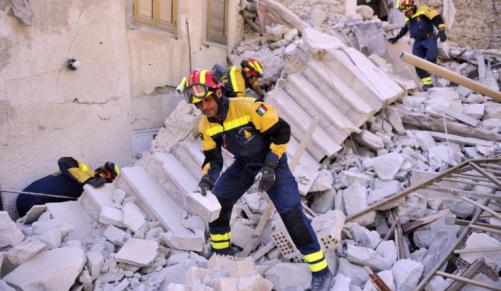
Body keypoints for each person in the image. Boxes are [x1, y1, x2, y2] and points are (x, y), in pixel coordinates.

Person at [182, 69, 333, 290]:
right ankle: (221, 252)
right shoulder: (206, 125)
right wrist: (206, 181)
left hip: (273, 162)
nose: (205, 107)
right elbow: (212, 159)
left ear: (218, 93)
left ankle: (321, 271)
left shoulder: (248, 106)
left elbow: (282, 131)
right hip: (244, 164)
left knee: (292, 214)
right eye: (199, 105)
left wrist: (271, 165)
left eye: (206, 100)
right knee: (218, 201)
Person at [16, 157, 119, 217]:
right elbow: (64, 161)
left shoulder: (95, 193)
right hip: (28, 199)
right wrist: (87, 181)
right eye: (104, 172)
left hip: (31, 208)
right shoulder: (86, 172)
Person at [388, 0, 447, 90]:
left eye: (407, 12)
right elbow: (404, 29)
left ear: (411, 8)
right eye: (404, 13)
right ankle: (427, 83)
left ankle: (434, 74)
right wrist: (396, 38)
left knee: (431, 58)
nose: (406, 14)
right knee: (417, 62)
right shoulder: (408, 18)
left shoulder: (423, 10)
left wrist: (441, 30)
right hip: (418, 42)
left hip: (429, 39)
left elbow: (436, 17)